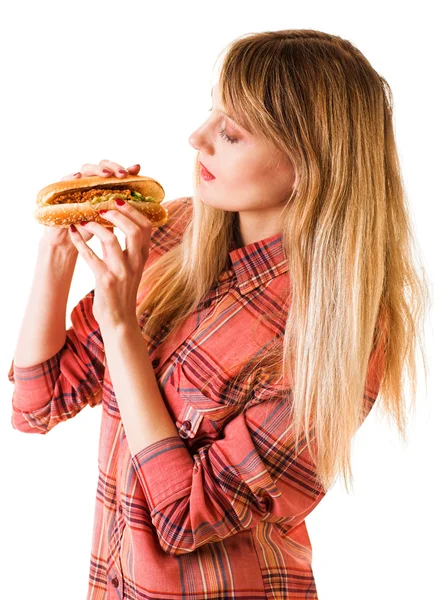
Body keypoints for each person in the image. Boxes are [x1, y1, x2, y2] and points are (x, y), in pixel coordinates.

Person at [8, 29, 429, 599]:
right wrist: (58, 250)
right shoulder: (173, 234)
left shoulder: (338, 331)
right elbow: (35, 405)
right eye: (211, 112)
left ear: (309, 163)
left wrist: (123, 329)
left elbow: (185, 517)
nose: (195, 137)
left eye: (230, 133)